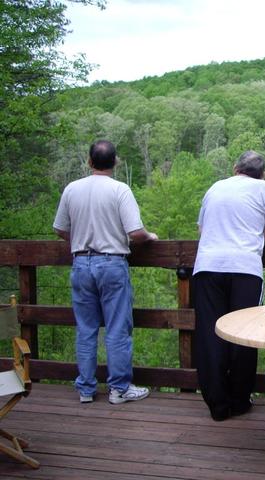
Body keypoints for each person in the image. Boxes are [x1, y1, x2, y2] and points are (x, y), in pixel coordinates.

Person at [53, 140, 158, 405]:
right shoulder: (120, 190)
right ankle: (119, 389)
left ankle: (86, 389)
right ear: (115, 162)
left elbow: (61, 230)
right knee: (117, 329)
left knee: (86, 329)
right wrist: (150, 236)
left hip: (80, 263)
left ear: (89, 162)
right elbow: (135, 233)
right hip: (111, 263)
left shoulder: (72, 189)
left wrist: (79, 238)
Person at [192, 150, 265, 421]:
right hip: (244, 268)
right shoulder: (264, 188)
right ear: (263, 174)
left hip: (208, 266)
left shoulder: (215, 187)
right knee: (244, 334)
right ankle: (239, 400)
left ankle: (217, 405)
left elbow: (201, 229)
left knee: (210, 335)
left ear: (235, 168)